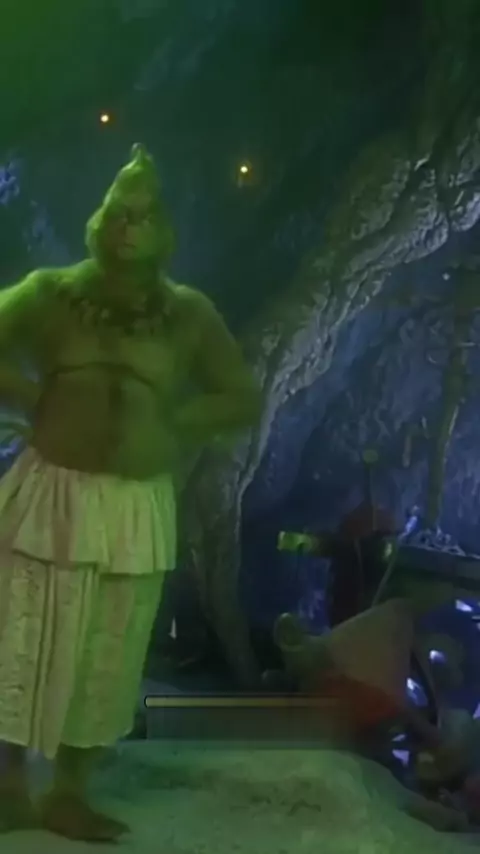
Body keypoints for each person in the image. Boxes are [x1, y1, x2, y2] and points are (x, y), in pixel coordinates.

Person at [0, 143, 262, 842]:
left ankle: (69, 792)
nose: (128, 227)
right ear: (101, 217)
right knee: (20, 639)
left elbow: (239, 395)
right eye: (120, 212)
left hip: (133, 507)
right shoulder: (50, 293)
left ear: (163, 228)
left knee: (105, 654)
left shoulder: (188, 314)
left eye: (143, 216)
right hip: (52, 492)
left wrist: (178, 422)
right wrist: (28, 395)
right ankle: (6, 787)